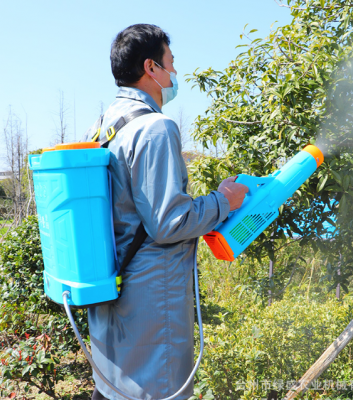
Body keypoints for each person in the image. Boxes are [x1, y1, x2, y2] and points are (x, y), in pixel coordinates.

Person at [82, 24, 248, 400]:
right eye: (170, 62)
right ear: (151, 67)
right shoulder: (154, 128)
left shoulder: (105, 126)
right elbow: (170, 222)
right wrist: (225, 200)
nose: (174, 72)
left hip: (113, 292)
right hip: (151, 303)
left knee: (114, 388)